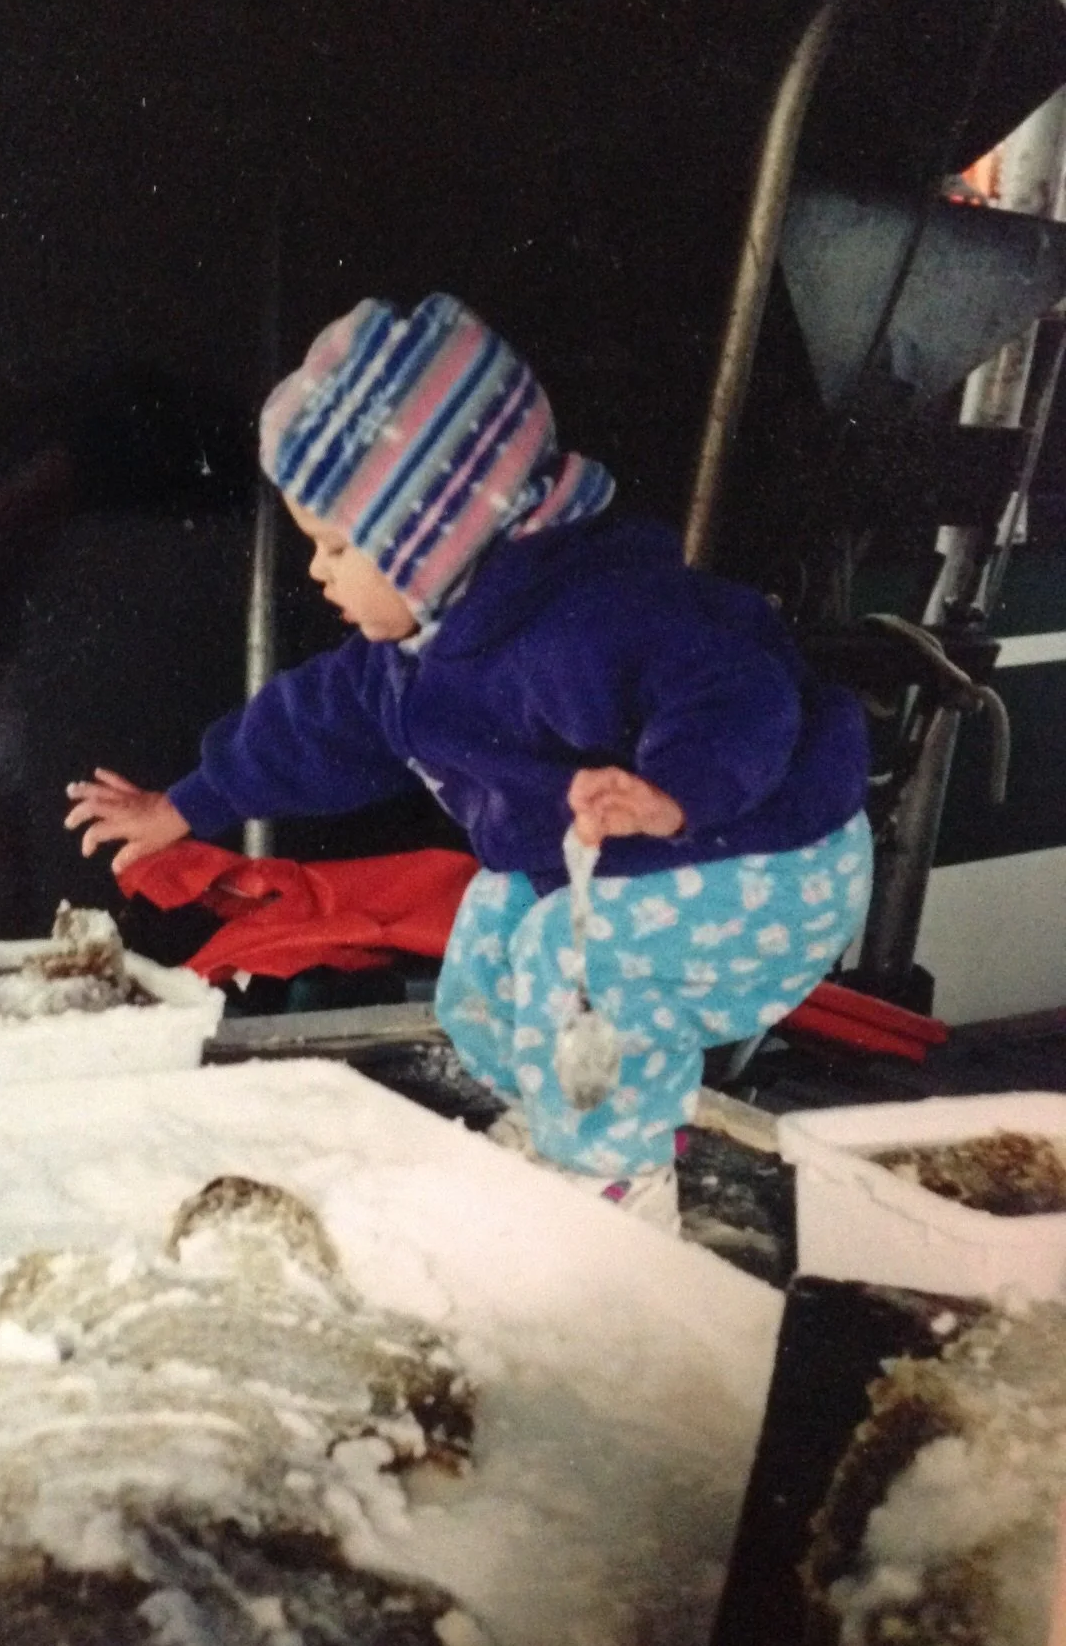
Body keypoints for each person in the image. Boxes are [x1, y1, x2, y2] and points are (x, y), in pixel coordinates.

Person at [65, 293, 871, 1223]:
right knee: (489, 951)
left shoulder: (593, 615)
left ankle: (618, 1179)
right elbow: (310, 723)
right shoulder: (413, 658)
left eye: (334, 545)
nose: (318, 571)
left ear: (426, 536)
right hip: (630, 862)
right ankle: (556, 1119)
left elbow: (741, 691)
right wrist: (185, 805)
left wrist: (673, 793)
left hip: (766, 856)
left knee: (585, 970)